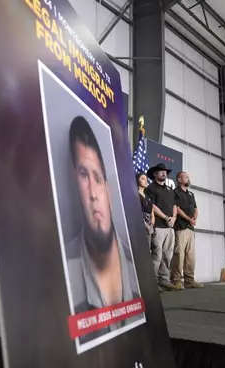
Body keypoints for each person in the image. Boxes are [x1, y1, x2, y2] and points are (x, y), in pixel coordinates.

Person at [66, 116, 141, 342]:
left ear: (108, 192)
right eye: (83, 175)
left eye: (97, 178)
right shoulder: (62, 274)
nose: (92, 193)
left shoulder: (137, 265)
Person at [145, 163, 181, 291]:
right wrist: (166, 218)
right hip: (159, 226)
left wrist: (174, 218)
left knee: (168, 255)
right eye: (161, 172)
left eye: (165, 172)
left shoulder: (169, 190)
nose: (164, 173)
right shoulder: (150, 188)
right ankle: (153, 282)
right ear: (155, 174)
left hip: (170, 227)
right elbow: (152, 206)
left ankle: (164, 280)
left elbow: (174, 206)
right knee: (157, 254)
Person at [171, 172, 204, 289]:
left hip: (191, 228)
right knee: (179, 254)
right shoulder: (175, 193)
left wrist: (194, 218)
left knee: (190, 255)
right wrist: (188, 219)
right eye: (186, 177)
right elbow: (177, 209)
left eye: (188, 177)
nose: (188, 179)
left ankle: (189, 280)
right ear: (179, 179)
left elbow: (195, 208)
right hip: (181, 227)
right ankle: (177, 280)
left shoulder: (191, 194)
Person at [136, 173, 161, 272]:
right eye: (143, 179)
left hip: (150, 226)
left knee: (156, 250)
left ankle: (152, 275)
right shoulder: (135, 195)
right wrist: (146, 226)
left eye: (146, 179)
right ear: (137, 180)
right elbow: (137, 212)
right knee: (142, 253)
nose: (146, 181)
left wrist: (151, 224)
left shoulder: (148, 197)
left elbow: (152, 213)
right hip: (140, 226)